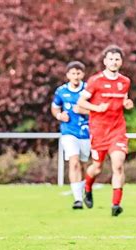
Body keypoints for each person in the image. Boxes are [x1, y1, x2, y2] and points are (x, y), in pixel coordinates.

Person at [77, 44, 134, 216]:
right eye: (111, 59)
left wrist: (127, 103)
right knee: (97, 167)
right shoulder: (96, 81)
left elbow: (124, 99)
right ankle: (88, 187)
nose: (114, 62)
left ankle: (115, 205)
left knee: (118, 165)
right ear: (105, 61)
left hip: (117, 129)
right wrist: (96, 108)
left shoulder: (125, 82)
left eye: (117, 59)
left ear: (121, 62)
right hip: (99, 130)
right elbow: (81, 103)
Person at [51, 61, 90, 209]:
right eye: (73, 73)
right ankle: (77, 199)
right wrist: (60, 116)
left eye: (78, 73)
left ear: (83, 74)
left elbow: (98, 110)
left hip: (86, 133)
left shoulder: (88, 90)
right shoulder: (61, 91)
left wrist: (84, 111)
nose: (76, 76)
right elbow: (55, 108)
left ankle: (87, 189)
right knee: (73, 161)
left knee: (84, 165)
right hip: (68, 132)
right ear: (68, 75)